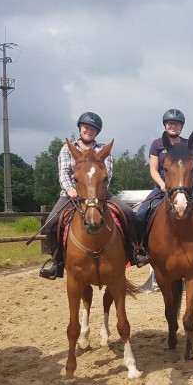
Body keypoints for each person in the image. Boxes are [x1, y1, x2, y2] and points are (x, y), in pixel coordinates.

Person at [39, 112, 150, 280]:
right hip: (71, 194)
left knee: (127, 212)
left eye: (93, 129)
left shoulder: (102, 150)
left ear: (96, 132)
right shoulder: (66, 149)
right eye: (86, 127)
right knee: (51, 223)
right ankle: (57, 263)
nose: (88, 131)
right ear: (80, 128)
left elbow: (108, 174)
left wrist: (96, 191)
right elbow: (63, 173)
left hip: (99, 193)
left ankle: (134, 251)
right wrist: (70, 189)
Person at [136, 109, 193, 263]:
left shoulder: (187, 144)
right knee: (141, 213)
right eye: (170, 123)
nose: (173, 126)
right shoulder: (157, 144)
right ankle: (140, 249)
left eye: (176, 124)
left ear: (181, 126)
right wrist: (163, 185)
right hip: (163, 186)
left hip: (186, 187)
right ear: (165, 125)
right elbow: (153, 169)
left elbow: (191, 169)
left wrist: (187, 187)